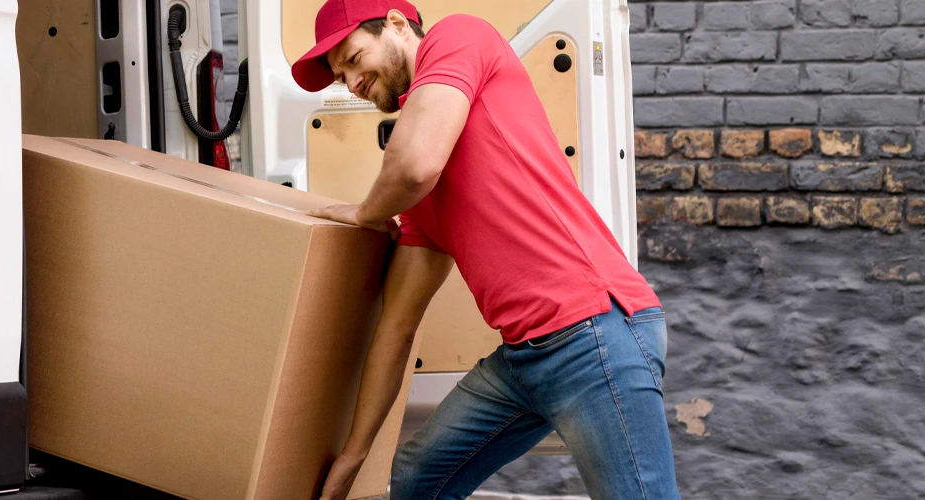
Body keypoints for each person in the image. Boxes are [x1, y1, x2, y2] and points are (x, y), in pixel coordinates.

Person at [291, 1, 681, 498]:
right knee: (416, 479)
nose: (350, 83)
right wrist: (354, 453)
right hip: (525, 358)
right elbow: (396, 329)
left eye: (352, 58)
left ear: (393, 24)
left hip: (594, 332)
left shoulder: (458, 37)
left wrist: (364, 212)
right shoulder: (421, 206)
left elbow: (413, 164)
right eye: (339, 75)